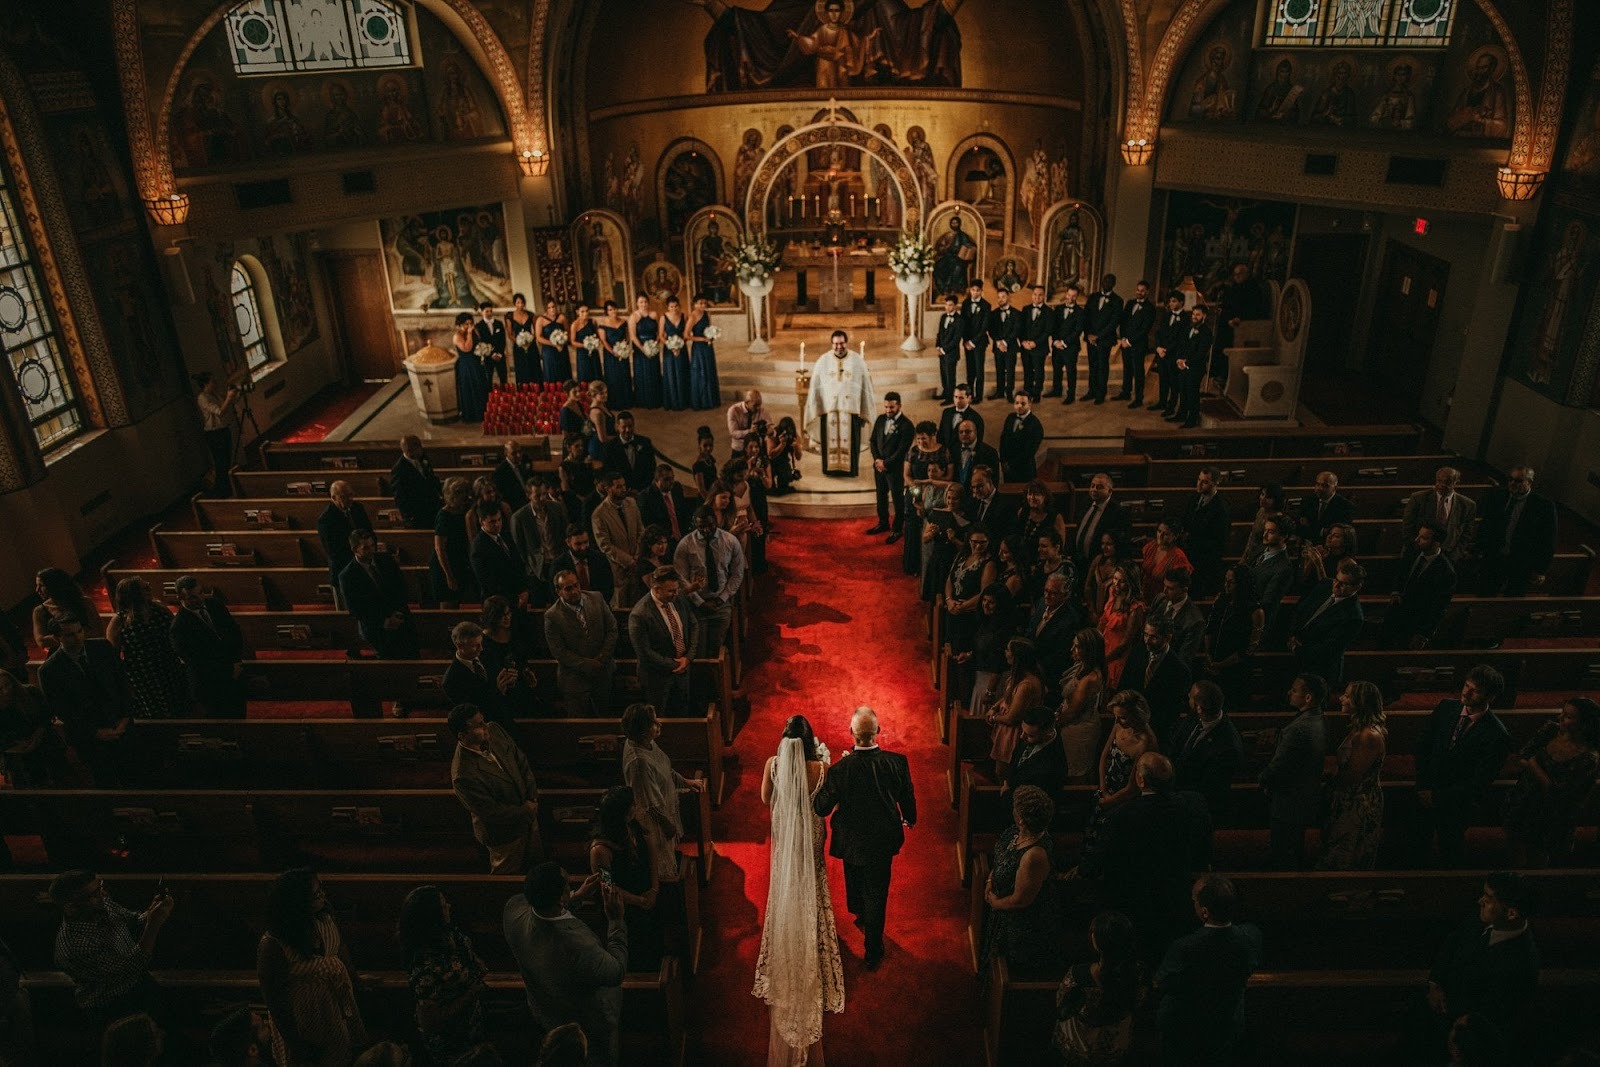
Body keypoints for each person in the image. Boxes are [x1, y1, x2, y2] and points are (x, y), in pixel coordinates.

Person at [753, 716, 845, 1065]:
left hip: (787, 839)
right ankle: (813, 927)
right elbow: (828, 805)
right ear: (810, 743)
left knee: (786, 881)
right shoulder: (821, 768)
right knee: (814, 879)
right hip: (812, 835)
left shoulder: (773, 765)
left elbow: (766, 799)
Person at [812, 706, 916, 971]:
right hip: (882, 840)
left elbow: (821, 807)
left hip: (852, 842)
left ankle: (859, 911)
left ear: (852, 733)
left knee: (855, 879)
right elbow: (907, 797)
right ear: (878, 732)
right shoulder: (896, 762)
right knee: (877, 893)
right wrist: (910, 818)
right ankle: (873, 949)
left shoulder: (841, 770)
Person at [1082, 752, 1213, 960]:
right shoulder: (1193, 805)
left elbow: (1103, 856)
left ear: (1140, 780)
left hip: (1135, 900)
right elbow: (1204, 847)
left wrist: (1083, 870)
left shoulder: (1122, 816)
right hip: (1176, 895)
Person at [503, 862, 628, 1067]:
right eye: (567, 886)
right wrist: (616, 921)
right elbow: (616, 971)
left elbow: (541, 908)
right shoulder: (576, 945)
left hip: (546, 1011)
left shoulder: (513, 911)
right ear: (560, 896)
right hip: (586, 1024)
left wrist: (575, 897)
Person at [1417, 872, 1540, 1059]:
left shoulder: (1519, 964)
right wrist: (1435, 983)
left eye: (1488, 899)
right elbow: (1452, 943)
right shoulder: (1487, 917)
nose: (1480, 901)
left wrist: (1443, 1007)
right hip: (1441, 1007)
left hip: (1465, 1038)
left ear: (1511, 913)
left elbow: (1487, 1017)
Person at [257, 868, 367, 1066]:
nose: (322, 896)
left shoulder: (324, 918)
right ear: (296, 902)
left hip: (332, 1007)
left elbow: (340, 948)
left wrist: (355, 980)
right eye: (315, 894)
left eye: (321, 890)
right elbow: (273, 995)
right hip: (303, 1015)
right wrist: (295, 1042)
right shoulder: (274, 943)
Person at [1152, 874, 1263, 1066]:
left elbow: (1163, 982)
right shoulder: (1250, 937)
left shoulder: (1185, 947)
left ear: (1204, 912)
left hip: (1189, 1030)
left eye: (1194, 901)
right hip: (1229, 1024)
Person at [50, 870, 172, 1033]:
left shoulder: (100, 904)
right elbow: (131, 967)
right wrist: (154, 924)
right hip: (113, 1006)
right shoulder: (75, 946)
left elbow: (133, 920)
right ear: (72, 908)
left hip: (139, 984)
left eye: (100, 887)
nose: (104, 894)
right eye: (95, 893)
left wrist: (153, 911)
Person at [1416, 665, 1513, 866]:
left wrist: (1438, 797)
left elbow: (1480, 782)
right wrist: (1423, 786)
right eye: (1466, 685)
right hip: (1426, 791)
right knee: (1417, 845)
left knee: (1450, 851)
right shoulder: (1446, 708)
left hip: (1456, 804)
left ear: (1490, 697)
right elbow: (1424, 746)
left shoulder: (1497, 734)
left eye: (1475, 690)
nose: (1466, 692)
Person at [1503, 697, 1600, 867]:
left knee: (1538, 856)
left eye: (1569, 717)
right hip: (1525, 799)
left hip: (1551, 814)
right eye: (1562, 713)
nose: (1561, 718)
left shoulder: (1588, 758)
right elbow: (1522, 757)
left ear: (1584, 724)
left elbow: (1556, 791)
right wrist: (1532, 765)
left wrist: (1533, 764)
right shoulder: (1551, 730)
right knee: (1515, 847)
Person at [982, 785, 1064, 979]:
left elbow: (1021, 900)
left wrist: (995, 903)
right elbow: (1002, 858)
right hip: (1001, 908)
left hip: (1019, 925)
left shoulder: (1034, 855)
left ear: (1021, 818)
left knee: (1007, 971)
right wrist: (990, 878)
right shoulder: (1015, 832)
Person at [448, 703, 541, 874]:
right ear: (462, 735)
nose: (486, 726)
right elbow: (490, 812)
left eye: (483, 720)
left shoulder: (494, 730)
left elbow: (520, 760)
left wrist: (532, 797)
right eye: (478, 725)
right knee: (508, 877)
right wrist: (525, 810)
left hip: (529, 815)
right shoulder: (463, 774)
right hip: (505, 836)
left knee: (534, 867)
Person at [399, 885, 488, 1064]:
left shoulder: (449, 935)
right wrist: (471, 993)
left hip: (470, 1026)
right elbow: (429, 1022)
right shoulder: (426, 968)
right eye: (443, 905)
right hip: (451, 1041)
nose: (449, 906)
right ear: (432, 917)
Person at [39, 615, 130, 784]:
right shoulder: (49, 670)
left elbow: (122, 684)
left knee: (133, 774)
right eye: (70, 635)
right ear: (57, 638)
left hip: (121, 725)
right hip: (90, 738)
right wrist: (95, 733)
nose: (78, 637)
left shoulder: (102, 647)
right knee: (105, 780)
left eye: (80, 631)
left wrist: (124, 718)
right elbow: (63, 710)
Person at [621, 702, 706, 882]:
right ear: (643, 730)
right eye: (653, 723)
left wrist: (684, 781)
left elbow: (664, 768)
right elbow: (649, 803)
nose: (659, 724)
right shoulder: (639, 763)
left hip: (663, 808)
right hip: (654, 822)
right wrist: (667, 824)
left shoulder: (646, 742)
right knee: (661, 864)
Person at [1053, 910, 1147, 1065]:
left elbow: (1061, 1006)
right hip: (1116, 1050)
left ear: (1096, 942)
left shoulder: (1079, 974)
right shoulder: (1140, 973)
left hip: (1077, 1051)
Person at [1080, 691, 1160, 862]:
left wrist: (1109, 801)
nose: (1116, 721)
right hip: (1107, 788)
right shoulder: (1119, 726)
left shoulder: (1146, 742)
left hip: (1124, 798)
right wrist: (1102, 789)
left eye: (1122, 717)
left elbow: (1133, 787)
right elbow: (1104, 756)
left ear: (1137, 715)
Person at [1259, 673, 1328, 870]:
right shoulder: (1317, 718)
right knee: (1293, 846)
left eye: (1295, 690)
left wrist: (1263, 780)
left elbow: (1279, 766)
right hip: (1305, 795)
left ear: (1308, 698)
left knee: (1283, 850)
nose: (1290, 692)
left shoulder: (1298, 729)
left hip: (1290, 800)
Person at [590, 785, 663, 971]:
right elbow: (607, 886)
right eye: (631, 805)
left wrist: (654, 888)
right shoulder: (600, 849)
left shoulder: (633, 825)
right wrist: (639, 901)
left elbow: (652, 852)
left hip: (647, 894)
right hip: (626, 908)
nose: (635, 807)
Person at [1317, 681, 1388, 870]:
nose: (1341, 698)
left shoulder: (1368, 736)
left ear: (1360, 702)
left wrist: (1326, 781)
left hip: (1357, 803)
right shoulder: (1358, 731)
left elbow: (1352, 775)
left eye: (1347, 696)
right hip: (1351, 799)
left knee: (1347, 855)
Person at [106, 577, 189, 719]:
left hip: (168, 668)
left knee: (179, 707)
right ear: (133, 594)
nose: (150, 589)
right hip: (143, 676)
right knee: (155, 713)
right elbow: (112, 655)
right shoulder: (119, 621)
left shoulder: (160, 610)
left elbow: (175, 635)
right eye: (145, 588)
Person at [674, 506, 746, 659]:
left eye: (710, 525)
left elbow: (737, 574)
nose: (706, 530)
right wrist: (699, 602)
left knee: (715, 647)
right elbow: (681, 577)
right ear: (695, 524)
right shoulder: (685, 544)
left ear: (716, 521)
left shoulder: (730, 541)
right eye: (701, 527)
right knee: (698, 650)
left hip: (721, 603)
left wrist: (722, 598)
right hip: (696, 605)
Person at [543, 570, 618, 715]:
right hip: (575, 680)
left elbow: (612, 629)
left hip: (604, 671)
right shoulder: (552, 616)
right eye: (568, 588)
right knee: (581, 726)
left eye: (576, 585)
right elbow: (559, 652)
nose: (575, 591)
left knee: (606, 718)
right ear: (558, 591)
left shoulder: (596, 598)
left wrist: (602, 658)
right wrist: (589, 664)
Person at [803, 331, 876, 478]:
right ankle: (830, 470)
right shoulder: (823, 361)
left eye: (841, 343)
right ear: (832, 344)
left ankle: (850, 470)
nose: (839, 346)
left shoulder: (857, 361)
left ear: (846, 343)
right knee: (829, 441)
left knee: (851, 442)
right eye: (836, 343)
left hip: (851, 411)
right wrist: (816, 407)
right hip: (829, 410)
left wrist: (863, 410)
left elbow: (865, 387)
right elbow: (816, 387)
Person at [1476, 466, 1558, 596]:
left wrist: (1541, 570)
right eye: (1510, 479)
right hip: (1494, 557)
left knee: (1513, 597)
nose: (1512, 483)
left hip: (1521, 562)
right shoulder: (1497, 496)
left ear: (1529, 482)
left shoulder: (1544, 506)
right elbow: (1486, 526)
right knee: (1485, 593)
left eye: (1518, 481)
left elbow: (1548, 540)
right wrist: (1478, 550)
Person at [628, 567, 699, 716]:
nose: (676, 594)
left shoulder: (678, 599)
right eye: (671, 591)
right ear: (657, 589)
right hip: (657, 678)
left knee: (682, 713)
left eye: (676, 589)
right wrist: (675, 664)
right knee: (659, 718)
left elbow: (693, 625)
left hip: (682, 671)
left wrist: (688, 658)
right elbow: (644, 652)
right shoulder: (640, 614)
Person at [1168, 680, 1242, 817]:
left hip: (1195, 807)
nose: (1188, 696)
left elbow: (1210, 789)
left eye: (1190, 696)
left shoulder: (1227, 747)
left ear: (1199, 707)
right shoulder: (1195, 716)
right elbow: (1177, 744)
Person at [1289, 559, 1366, 687]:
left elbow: (1328, 648)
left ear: (1357, 587)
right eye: (1336, 580)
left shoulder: (1353, 616)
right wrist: (1292, 634)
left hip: (1319, 668)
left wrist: (1296, 648)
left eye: (1343, 584)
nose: (1335, 586)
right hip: (1297, 649)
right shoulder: (1325, 584)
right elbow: (1300, 609)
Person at [1382, 521, 1457, 649]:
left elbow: (1438, 607)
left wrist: (1423, 635)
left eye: (1424, 538)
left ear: (1436, 543)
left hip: (1415, 623)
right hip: (1395, 614)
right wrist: (1395, 592)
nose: (1417, 540)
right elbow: (1401, 573)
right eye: (1418, 535)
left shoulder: (1446, 572)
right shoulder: (1412, 551)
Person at [1120, 616, 1192, 745]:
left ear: (1167, 638)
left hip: (1157, 731)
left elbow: (1172, 710)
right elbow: (1124, 684)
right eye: (1145, 635)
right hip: (1130, 725)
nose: (1147, 640)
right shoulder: (1139, 651)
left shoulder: (1179, 670)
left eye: (1153, 637)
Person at [985, 636, 1043, 782]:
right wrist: (994, 707)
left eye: (1008, 650)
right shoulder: (1018, 676)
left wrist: (994, 717)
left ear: (1017, 657)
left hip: (1013, 733)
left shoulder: (1026, 685)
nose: (1005, 652)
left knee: (1003, 773)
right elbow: (1007, 696)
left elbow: (1012, 718)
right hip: (1006, 730)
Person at [0, 669, 68, 787]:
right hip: (17, 753)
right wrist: (14, 745)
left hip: (44, 743)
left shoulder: (30, 692)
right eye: (0, 689)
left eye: (7, 685)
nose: (6, 691)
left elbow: (47, 715)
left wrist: (39, 732)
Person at [1057, 627, 1107, 784]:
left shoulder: (1091, 678)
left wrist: (1055, 722)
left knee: (1077, 770)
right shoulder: (1083, 667)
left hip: (1079, 728)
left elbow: (1073, 712)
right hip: (1071, 725)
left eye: (1077, 646)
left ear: (1089, 649)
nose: (1072, 649)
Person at [591, 472, 644, 610]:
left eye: (624, 485)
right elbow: (605, 545)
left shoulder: (631, 503)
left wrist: (638, 555)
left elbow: (641, 531)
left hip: (637, 564)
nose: (623, 489)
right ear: (608, 489)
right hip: (618, 569)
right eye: (618, 487)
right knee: (621, 607)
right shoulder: (599, 514)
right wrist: (628, 561)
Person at [1402, 466, 1478, 563]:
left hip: (1448, 556)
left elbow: (1467, 534)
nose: (1441, 485)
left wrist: (1453, 556)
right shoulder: (1418, 499)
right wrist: (1418, 550)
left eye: (1447, 482)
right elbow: (1407, 528)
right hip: (1417, 553)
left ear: (1456, 482)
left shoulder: (1468, 505)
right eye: (1439, 481)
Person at [867, 392, 914, 540]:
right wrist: (877, 461)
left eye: (892, 407)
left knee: (897, 498)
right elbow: (873, 441)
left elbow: (902, 451)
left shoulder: (907, 425)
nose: (888, 410)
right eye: (886, 407)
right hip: (879, 467)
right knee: (881, 496)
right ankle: (883, 522)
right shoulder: (880, 419)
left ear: (899, 405)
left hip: (895, 469)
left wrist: (885, 463)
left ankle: (897, 528)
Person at [1181, 466, 1231, 598]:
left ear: (1215, 483)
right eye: (1199, 480)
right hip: (1190, 555)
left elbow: (1219, 541)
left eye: (1205, 482)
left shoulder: (1220, 508)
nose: (1199, 484)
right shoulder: (1194, 499)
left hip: (1204, 562)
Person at [316, 481, 371, 593]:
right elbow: (333, 551)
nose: (350, 498)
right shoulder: (326, 519)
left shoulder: (358, 508)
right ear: (333, 497)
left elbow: (370, 532)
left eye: (351, 494)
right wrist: (357, 556)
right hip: (344, 569)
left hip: (365, 563)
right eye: (344, 496)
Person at [430, 477, 476, 607]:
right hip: (445, 564)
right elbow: (440, 548)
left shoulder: (464, 510)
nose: (464, 497)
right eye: (460, 493)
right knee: (448, 601)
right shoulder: (444, 516)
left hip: (459, 561)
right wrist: (448, 575)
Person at [1072, 473, 1132, 573]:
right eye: (1092, 486)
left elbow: (1121, 543)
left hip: (1100, 566)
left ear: (1109, 491)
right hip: (1079, 563)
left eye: (1099, 487)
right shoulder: (1086, 503)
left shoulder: (1118, 513)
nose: (1094, 489)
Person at [194, 371, 241, 497]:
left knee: (227, 460)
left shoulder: (214, 394)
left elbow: (227, 404)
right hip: (214, 434)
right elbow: (220, 412)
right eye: (212, 382)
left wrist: (235, 394)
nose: (215, 384)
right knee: (221, 463)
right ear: (205, 384)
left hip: (223, 430)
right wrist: (229, 397)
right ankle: (222, 491)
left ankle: (228, 488)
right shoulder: (202, 398)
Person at [1098, 566, 1145, 691]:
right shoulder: (1112, 593)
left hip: (1118, 656)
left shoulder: (1136, 608)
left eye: (1122, 581)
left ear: (1130, 583)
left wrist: (1105, 659)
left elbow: (1126, 642)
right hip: (1104, 646)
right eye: (1115, 578)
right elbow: (1102, 621)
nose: (1116, 583)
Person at [31, 567, 100, 651]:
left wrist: (60, 637)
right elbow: (41, 641)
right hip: (60, 653)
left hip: (89, 648)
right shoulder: (40, 611)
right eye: (37, 585)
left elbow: (97, 630)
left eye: (41, 586)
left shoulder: (84, 602)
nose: (37, 590)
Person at [1149, 568, 1206, 668]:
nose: (1164, 591)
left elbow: (1184, 659)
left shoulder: (1194, 620)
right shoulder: (1160, 599)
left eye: (1170, 588)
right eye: (1164, 585)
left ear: (1184, 590)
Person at [1167, 305, 1212, 429]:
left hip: (1195, 367)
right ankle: (1181, 414)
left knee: (1192, 393)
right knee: (1183, 391)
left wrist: (1187, 363)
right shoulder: (1188, 329)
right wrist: (1179, 359)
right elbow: (1181, 345)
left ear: (1204, 316)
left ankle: (1192, 419)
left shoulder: (1206, 332)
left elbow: (1201, 352)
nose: (1194, 317)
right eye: (1193, 314)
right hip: (1183, 365)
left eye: (1197, 314)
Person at [1114, 280, 1156, 407]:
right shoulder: (1130, 303)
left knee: (1138, 372)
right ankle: (1126, 392)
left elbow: (1145, 329)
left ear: (1147, 292)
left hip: (1138, 344)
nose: (1139, 292)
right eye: (1138, 290)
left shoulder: (1150, 308)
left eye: (1142, 290)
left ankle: (1138, 398)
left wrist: (1130, 341)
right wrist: (1123, 338)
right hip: (1125, 342)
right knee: (1127, 369)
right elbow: (1123, 322)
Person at [1083, 274, 1123, 403]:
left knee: (1102, 366)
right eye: (1105, 280)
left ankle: (1101, 394)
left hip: (1104, 339)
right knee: (1092, 365)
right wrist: (1089, 334)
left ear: (1114, 284)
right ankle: (1091, 391)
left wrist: (1098, 336)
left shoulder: (1117, 300)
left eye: (1110, 281)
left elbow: (1114, 322)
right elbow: (1086, 317)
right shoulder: (1093, 297)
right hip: (1090, 338)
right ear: (1101, 282)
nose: (1107, 283)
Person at [390, 436, 444, 529]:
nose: (421, 449)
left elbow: (431, 478)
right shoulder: (399, 469)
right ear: (409, 450)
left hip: (433, 507)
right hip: (418, 515)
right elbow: (399, 496)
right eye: (418, 447)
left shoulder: (423, 458)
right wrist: (409, 517)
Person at [1293, 471, 1356, 545]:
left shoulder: (1345, 506)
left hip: (1331, 547)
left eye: (1325, 485)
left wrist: (1311, 527)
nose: (1320, 488)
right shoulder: (1308, 500)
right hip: (1308, 547)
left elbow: (1339, 533)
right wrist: (1322, 531)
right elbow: (1298, 528)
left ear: (1335, 488)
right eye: (1317, 484)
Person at [1150, 291, 1187, 416]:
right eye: (1170, 301)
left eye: (1174, 301)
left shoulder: (1186, 318)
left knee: (1173, 382)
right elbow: (1158, 333)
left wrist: (1166, 350)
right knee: (1163, 379)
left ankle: (1171, 406)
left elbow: (1181, 339)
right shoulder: (1166, 315)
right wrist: (1158, 348)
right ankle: (1162, 402)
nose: (1171, 303)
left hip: (1174, 354)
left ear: (1181, 302)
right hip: (1162, 353)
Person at [1139, 522, 1191, 605]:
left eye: (1166, 534)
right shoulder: (1151, 547)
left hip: (1163, 600)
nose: (1160, 536)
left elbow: (1178, 585)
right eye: (1159, 531)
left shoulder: (1178, 557)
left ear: (1175, 536)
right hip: (1144, 595)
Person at [603, 412, 657, 492]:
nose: (627, 430)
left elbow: (651, 467)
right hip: (622, 492)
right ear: (617, 427)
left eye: (630, 426)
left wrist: (642, 488)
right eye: (624, 427)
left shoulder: (645, 442)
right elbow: (609, 472)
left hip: (643, 490)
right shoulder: (610, 447)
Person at [1050, 283, 1086, 402]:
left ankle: (1070, 395)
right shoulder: (1058, 309)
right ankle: (1056, 390)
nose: (1070, 298)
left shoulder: (1080, 312)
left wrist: (1064, 342)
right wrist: (1055, 341)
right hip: (1056, 345)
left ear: (1077, 297)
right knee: (1057, 369)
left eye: (1073, 296)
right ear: (1066, 294)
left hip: (1071, 347)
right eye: (1069, 295)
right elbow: (1053, 327)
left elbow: (1077, 331)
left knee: (1071, 371)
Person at [998, 392, 1044, 483]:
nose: (1019, 406)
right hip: (1007, 469)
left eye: (1023, 404)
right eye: (1016, 403)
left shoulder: (1035, 425)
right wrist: (1003, 461)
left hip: (1024, 471)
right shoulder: (1010, 418)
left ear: (1030, 404)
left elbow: (1029, 452)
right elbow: (1003, 440)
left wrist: (1011, 464)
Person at [687, 294, 721, 411]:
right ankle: (701, 401)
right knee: (700, 372)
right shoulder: (692, 316)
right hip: (698, 348)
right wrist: (702, 339)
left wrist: (712, 335)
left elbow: (710, 328)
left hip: (708, 346)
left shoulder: (707, 314)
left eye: (704, 303)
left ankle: (711, 399)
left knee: (709, 369)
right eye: (700, 303)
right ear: (695, 304)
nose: (702, 305)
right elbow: (686, 335)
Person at [453, 312, 489, 422]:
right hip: (467, 365)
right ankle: (473, 415)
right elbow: (467, 348)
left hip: (477, 363)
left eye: (470, 323)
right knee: (470, 387)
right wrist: (469, 334)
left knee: (480, 385)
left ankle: (483, 412)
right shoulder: (457, 336)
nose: (469, 326)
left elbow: (479, 343)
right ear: (459, 325)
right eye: (466, 324)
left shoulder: (475, 331)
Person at [959, 280, 992, 402]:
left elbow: (984, 327)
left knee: (979, 370)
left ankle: (979, 396)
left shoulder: (986, 305)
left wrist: (973, 342)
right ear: (970, 290)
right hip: (967, 342)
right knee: (970, 370)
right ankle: (970, 394)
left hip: (979, 342)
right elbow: (962, 324)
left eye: (978, 290)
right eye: (973, 290)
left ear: (981, 291)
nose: (975, 293)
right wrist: (966, 341)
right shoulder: (965, 304)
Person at [987, 286, 1020, 400]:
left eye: (1003, 297)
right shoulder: (993, 314)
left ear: (1008, 298)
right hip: (998, 346)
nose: (1001, 299)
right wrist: (998, 342)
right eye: (999, 297)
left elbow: (1016, 330)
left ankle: (1009, 393)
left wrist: (1005, 342)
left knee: (1010, 370)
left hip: (1010, 346)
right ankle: (999, 392)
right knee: (999, 370)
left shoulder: (1016, 313)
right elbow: (991, 330)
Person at [936, 384, 985, 454]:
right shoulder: (946, 412)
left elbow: (978, 443)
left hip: (963, 455)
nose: (957, 400)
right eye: (955, 397)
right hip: (945, 454)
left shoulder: (976, 418)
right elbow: (941, 435)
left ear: (969, 398)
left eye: (961, 398)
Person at [934, 294, 963, 402]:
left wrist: (943, 350)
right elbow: (939, 333)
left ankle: (950, 397)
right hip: (941, 351)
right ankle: (945, 392)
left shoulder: (959, 320)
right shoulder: (943, 317)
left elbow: (956, 339)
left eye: (950, 305)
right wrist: (938, 346)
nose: (947, 307)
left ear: (955, 306)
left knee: (950, 376)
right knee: (943, 373)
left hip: (951, 353)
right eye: (946, 305)